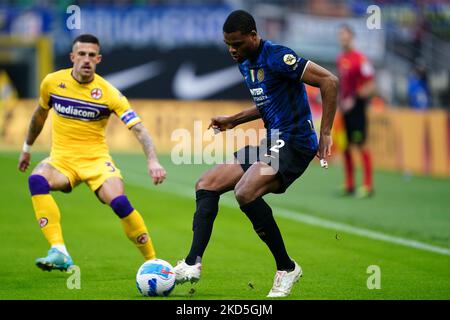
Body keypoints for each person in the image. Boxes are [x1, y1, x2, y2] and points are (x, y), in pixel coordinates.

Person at [173, 10, 338, 298]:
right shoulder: (245, 61)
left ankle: (286, 268)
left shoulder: (277, 56)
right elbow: (269, 102)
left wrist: (325, 133)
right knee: (206, 183)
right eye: (228, 44)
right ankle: (192, 264)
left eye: (237, 44)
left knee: (245, 192)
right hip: (272, 140)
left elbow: (330, 81)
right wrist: (234, 120)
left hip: (295, 141)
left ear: (253, 35)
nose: (232, 50)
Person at [17, 34, 166, 271]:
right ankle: (59, 251)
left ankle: (153, 262)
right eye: (82, 54)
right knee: (36, 180)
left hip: (97, 161)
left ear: (99, 59)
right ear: (72, 57)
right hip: (62, 160)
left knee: (120, 203)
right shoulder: (52, 83)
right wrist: (27, 148)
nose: (86, 59)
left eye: (91, 55)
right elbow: (39, 115)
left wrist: (153, 160)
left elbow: (138, 128)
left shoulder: (109, 93)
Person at [336, 24, 376, 197]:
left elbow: (371, 85)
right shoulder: (340, 58)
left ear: (351, 37)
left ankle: (368, 185)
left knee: (361, 145)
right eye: (341, 35)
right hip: (344, 108)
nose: (343, 38)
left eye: (345, 35)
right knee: (345, 146)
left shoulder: (360, 59)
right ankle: (350, 184)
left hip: (358, 109)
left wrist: (355, 98)